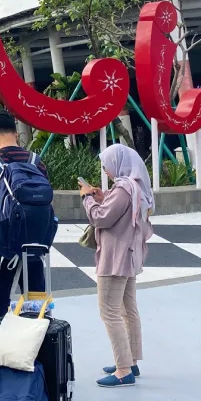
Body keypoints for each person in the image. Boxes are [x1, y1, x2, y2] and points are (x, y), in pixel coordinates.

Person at [0, 109, 48, 353]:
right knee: (35, 304)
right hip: (34, 247)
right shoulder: (37, 162)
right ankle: (36, 361)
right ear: (16, 133)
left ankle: (0, 364)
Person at [80, 144, 154, 388]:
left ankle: (123, 370)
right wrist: (104, 198)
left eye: (107, 165)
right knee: (127, 310)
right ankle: (130, 361)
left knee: (109, 312)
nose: (106, 170)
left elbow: (101, 218)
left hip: (115, 258)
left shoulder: (123, 188)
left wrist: (87, 199)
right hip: (130, 255)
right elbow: (118, 212)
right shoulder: (134, 186)